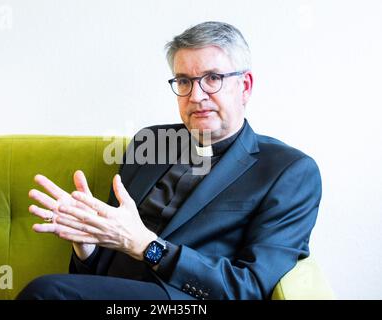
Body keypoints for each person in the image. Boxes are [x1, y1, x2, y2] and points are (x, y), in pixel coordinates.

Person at [17, 21, 321, 300]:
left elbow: (250, 287)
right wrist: (87, 244)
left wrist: (147, 247)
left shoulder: (289, 171)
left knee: (46, 292)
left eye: (212, 78)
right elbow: (94, 277)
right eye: (184, 81)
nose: (196, 95)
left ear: (245, 86)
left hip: (186, 301)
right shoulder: (149, 142)